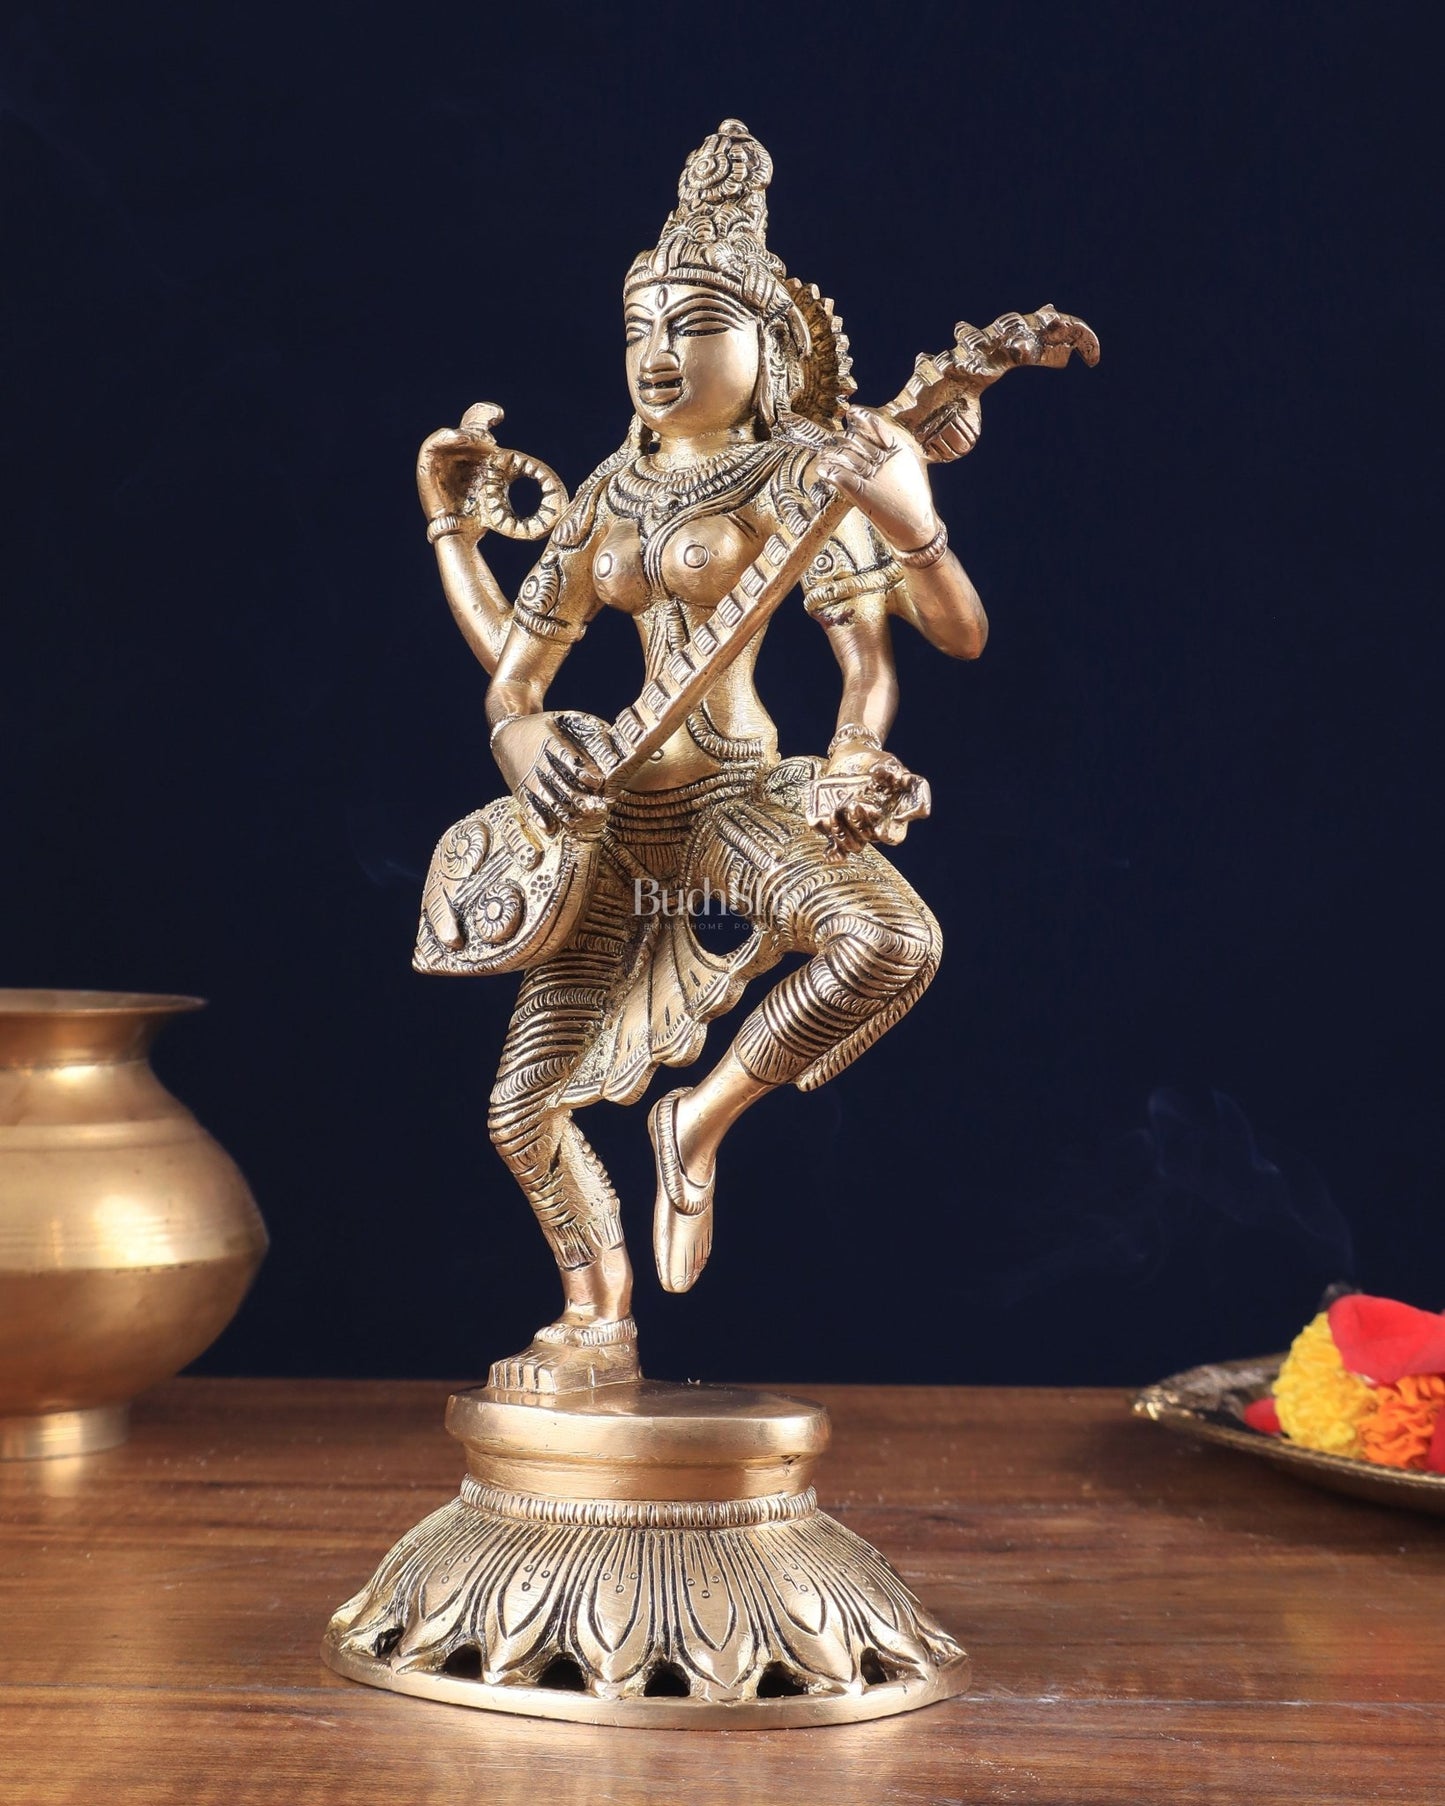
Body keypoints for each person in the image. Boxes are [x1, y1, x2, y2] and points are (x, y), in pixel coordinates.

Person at [416, 121, 988, 1392]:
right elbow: (515, 674)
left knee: (889, 944)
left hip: (734, 798)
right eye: (639, 329)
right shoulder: (606, 495)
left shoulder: (798, 477)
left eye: (694, 325)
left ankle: (702, 1115)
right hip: (612, 821)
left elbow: (910, 650)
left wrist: (912, 532)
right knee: (518, 1112)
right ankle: (595, 1317)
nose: (658, 355)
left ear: (767, 346)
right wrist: (509, 702)